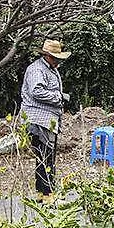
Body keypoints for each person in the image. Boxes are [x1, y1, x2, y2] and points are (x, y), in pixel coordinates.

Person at [19, 39, 71, 196]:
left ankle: (42, 193)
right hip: (39, 119)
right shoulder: (37, 70)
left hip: (47, 119)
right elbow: (36, 91)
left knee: (46, 157)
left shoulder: (49, 68)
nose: (58, 61)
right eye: (56, 58)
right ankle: (47, 193)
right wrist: (59, 97)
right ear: (48, 56)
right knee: (45, 157)